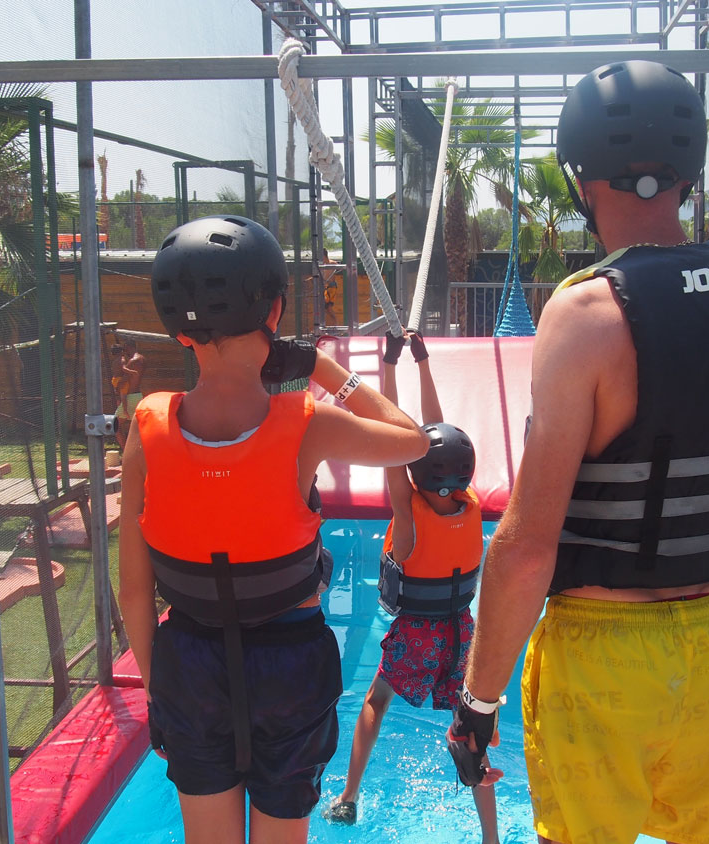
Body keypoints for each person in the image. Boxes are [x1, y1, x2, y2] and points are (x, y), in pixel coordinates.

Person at [447, 61, 709, 844]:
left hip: (602, 661)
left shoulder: (587, 313)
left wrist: (477, 703)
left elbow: (526, 547)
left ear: (579, 178)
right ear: (689, 173)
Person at [118, 215, 429, 844]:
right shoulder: (308, 422)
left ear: (178, 330)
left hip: (188, 665)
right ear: (275, 309)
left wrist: (161, 694)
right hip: (290, 666)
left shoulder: (147, 427)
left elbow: (133, 592)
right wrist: (325, 368)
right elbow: (414, 441)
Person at [324, 331, 500, 844]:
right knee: (473, 728)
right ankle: (490, 836)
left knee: (376, 701)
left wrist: (387, 364)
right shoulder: (469, 503)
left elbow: (394, 433)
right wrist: (422, 363)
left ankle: (348, 797)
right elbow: (439, 435)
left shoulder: (408, 518)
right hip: (462, 632)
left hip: (417, 633)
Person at [113, 337, 145, 451]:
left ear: (128, 347)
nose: (124, 351)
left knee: (115, 425)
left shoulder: (132, 361)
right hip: (138, 395)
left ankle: (126, 451)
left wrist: (116, 383)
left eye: (125, 348)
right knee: (138, 426)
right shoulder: (142, 358)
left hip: (130, 396)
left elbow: (125, 379)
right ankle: (139, 452)